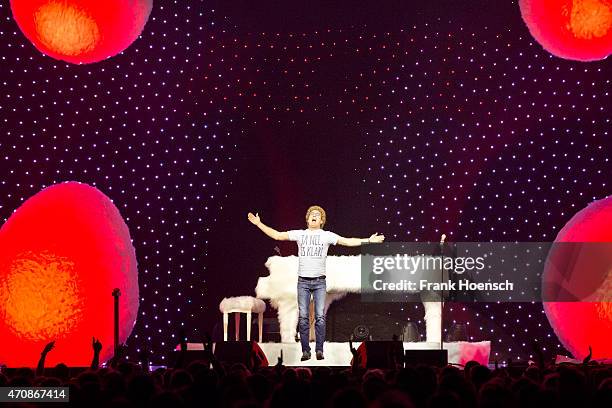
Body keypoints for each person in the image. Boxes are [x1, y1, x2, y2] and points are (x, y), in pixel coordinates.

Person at [248, 205, 384, 361]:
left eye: (317, 215)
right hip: (303, 282)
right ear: (307, 219)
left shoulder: (326, 235)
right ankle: (306, 351)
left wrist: (368, 240)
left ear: (321, 221)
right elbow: (278, 235)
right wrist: (259, 224)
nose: (314, 215)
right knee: (304, 317)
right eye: (311, 214)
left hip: (320, 282)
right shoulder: (299, 234)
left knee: (319, 317)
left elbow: (347, 242)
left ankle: (319, 350)